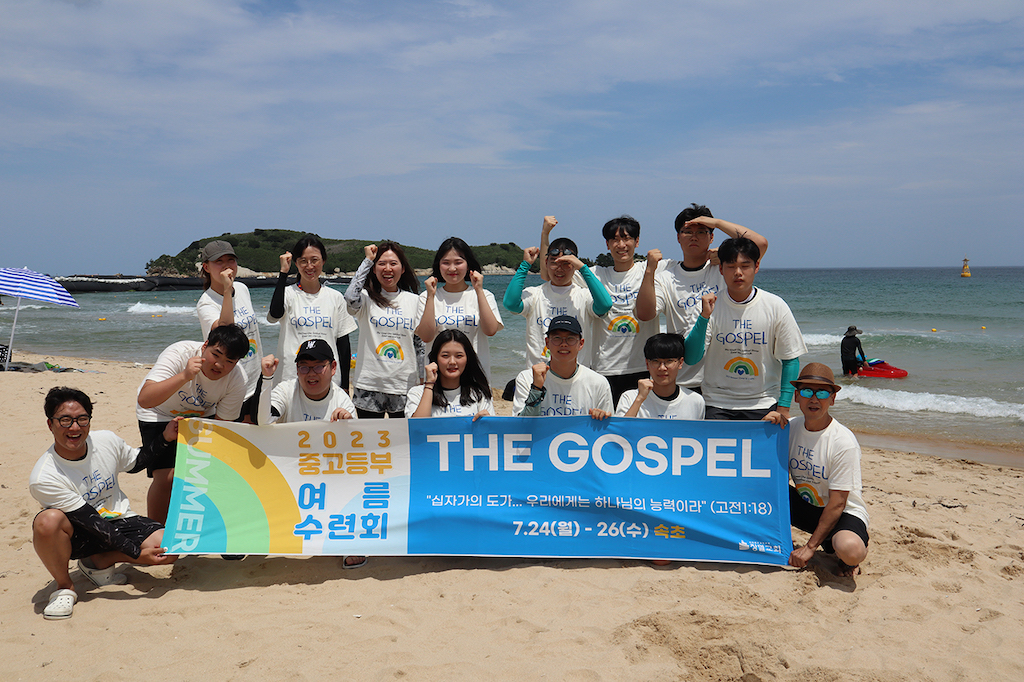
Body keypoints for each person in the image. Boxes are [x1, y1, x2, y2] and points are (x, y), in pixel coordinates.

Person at [31, 387, 177, 620]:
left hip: (119, 519)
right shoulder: (44, 476)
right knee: (47, 521)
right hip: (79, 532)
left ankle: (101, 560)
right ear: (51, 424)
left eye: (82, 419)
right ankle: (64, 587)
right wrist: (136, 555)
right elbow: (91, 521)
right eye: (65, 420)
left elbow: (137, 462)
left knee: (170, 550)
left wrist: (165, 438)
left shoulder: (106, 440)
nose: (75, 428)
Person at [636, 204, 769, 392]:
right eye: (687, 232)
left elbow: (760, 243)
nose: (694, 237)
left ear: (711, 237)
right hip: (684, 378)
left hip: (724, 378)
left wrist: (716, 222)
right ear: (678, 237)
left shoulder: (725, 269)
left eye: (701, 232)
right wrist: (649, 271)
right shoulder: (666, 277)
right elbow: (644, 314)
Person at [136, 324, 250, 524]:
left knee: (204, 475)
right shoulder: (179, 353)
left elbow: (222, 424)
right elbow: (145, 399)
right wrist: (184, 376)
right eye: (216, 355)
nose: (219, 365)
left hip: (201, 416)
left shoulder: (237, 380)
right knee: (167, 478)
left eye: (229, 361)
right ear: (205, 346)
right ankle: (156, 530)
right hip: (159, 411)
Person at [541, 215, 660, 406]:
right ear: (607, 244)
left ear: (637, 241)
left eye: (626, 238)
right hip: (604, 367)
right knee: (605, 421)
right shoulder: (596, 274)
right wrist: (545, 234)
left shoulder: (651, 269)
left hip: (643, 365)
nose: (621, 245)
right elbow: (550, 274)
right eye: (615, 239)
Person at [685, 237, 806, 423]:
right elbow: (691, 358)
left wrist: (784, 407)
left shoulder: (775, 306)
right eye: (731, 266)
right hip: (716, 402)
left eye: (745, 266)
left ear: (756, 267)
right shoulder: (708, 306)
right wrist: (704, 317)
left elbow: (790, 359)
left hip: (764, 402)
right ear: (721, 269)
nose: (738, 273)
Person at [783, 363, 870, 576]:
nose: (814, 399)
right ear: (796, 396)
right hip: (808, 507)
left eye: (822, 393)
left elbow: (838, 502)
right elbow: (767, 472)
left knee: (850, 550)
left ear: (832, 399)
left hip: (842, 512)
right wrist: (766, 428)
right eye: (807, 391)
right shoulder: (789, 429)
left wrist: (810, 547)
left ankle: (843, 551)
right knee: (763, 489)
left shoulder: (842, 442)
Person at [503, 217, 613, 369]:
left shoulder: (584, 296)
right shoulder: (534, 295)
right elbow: (510, 304)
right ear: (546, 262)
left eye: (566, 263)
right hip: (540, 373)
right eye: (554, 262)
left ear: (574, 265)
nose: (559, 269)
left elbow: (605, 305)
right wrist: (525, 265)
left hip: (577, 374)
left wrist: (583, 268)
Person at [345, 241, 424, 419]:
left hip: (404, 385)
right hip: (368, 384)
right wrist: (367, 261)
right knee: (369, 435)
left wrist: (422, 379)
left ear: (402, 269)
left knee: (403, 435)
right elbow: (350, 298)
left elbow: (420, 344)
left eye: (393, 263)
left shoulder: (414, 301)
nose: (387, 269)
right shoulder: (365, 299)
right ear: (374, 269)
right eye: (381, 263)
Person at [268, 234, 357, 391]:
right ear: (296, 263)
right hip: (291, 377)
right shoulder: (287, 294)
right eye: (303, 261)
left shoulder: (335, 297)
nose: (309, 266)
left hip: (327, 379)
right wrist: (283, 272)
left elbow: (343, 345)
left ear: (323, 261)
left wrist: (344, 385)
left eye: (314, 260)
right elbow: (275, 314)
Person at [414, 237, 504, 379]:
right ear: (438, 266)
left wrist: (479, 290)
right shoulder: (426, 297)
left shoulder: (484, 295)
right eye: (446, 263)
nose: (452, 268)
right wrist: (431, 296)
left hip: (475, 376)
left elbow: (490, 330)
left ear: (468, 265)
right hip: (437, 377)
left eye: (458, 262)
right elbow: (426, 336)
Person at [196, 239, 263, 421]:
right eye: (219, 261)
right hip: (231, 382)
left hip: (255, 377)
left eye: (230, 260)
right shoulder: (206, 303)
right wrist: (227, 290)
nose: (226, 266)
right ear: (206, 267)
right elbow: (225, 331)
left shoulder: (242, 289)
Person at [513, 315, 613, 418]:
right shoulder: (527, 378)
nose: (564, 344)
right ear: (547, 343)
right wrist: (536, 389)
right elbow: (521, 426)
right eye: (557, 338)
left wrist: (601, 417)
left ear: (581, 344)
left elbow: (609, 426)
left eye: (570, 338)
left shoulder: (598, 383)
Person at [257, 339, 357, 424]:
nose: (311, 373)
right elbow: (264, 420)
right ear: (297, 369)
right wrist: (266, 377)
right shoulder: (286, 391)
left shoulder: (342, 401)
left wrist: (347, 423)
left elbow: (354, 436)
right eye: (304, 367)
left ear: (333, 367)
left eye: (318, 367)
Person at [406, 329, 495, 419]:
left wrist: (486, 423)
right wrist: (429, 384)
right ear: (435, 359)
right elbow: (417, 425)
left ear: (468, 359)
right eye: (445, 356)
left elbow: (492, 427)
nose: (452, 362)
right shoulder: (417, 394)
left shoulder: (479, 395)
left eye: (459, 356)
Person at [615, 333, 705, 420]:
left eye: (669, 361)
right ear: (647, 364)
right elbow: (620, 429)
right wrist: (639, 399)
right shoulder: (630, 398)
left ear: (680, 363)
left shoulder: (695, 401)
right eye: (656, 361)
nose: (662, 368)